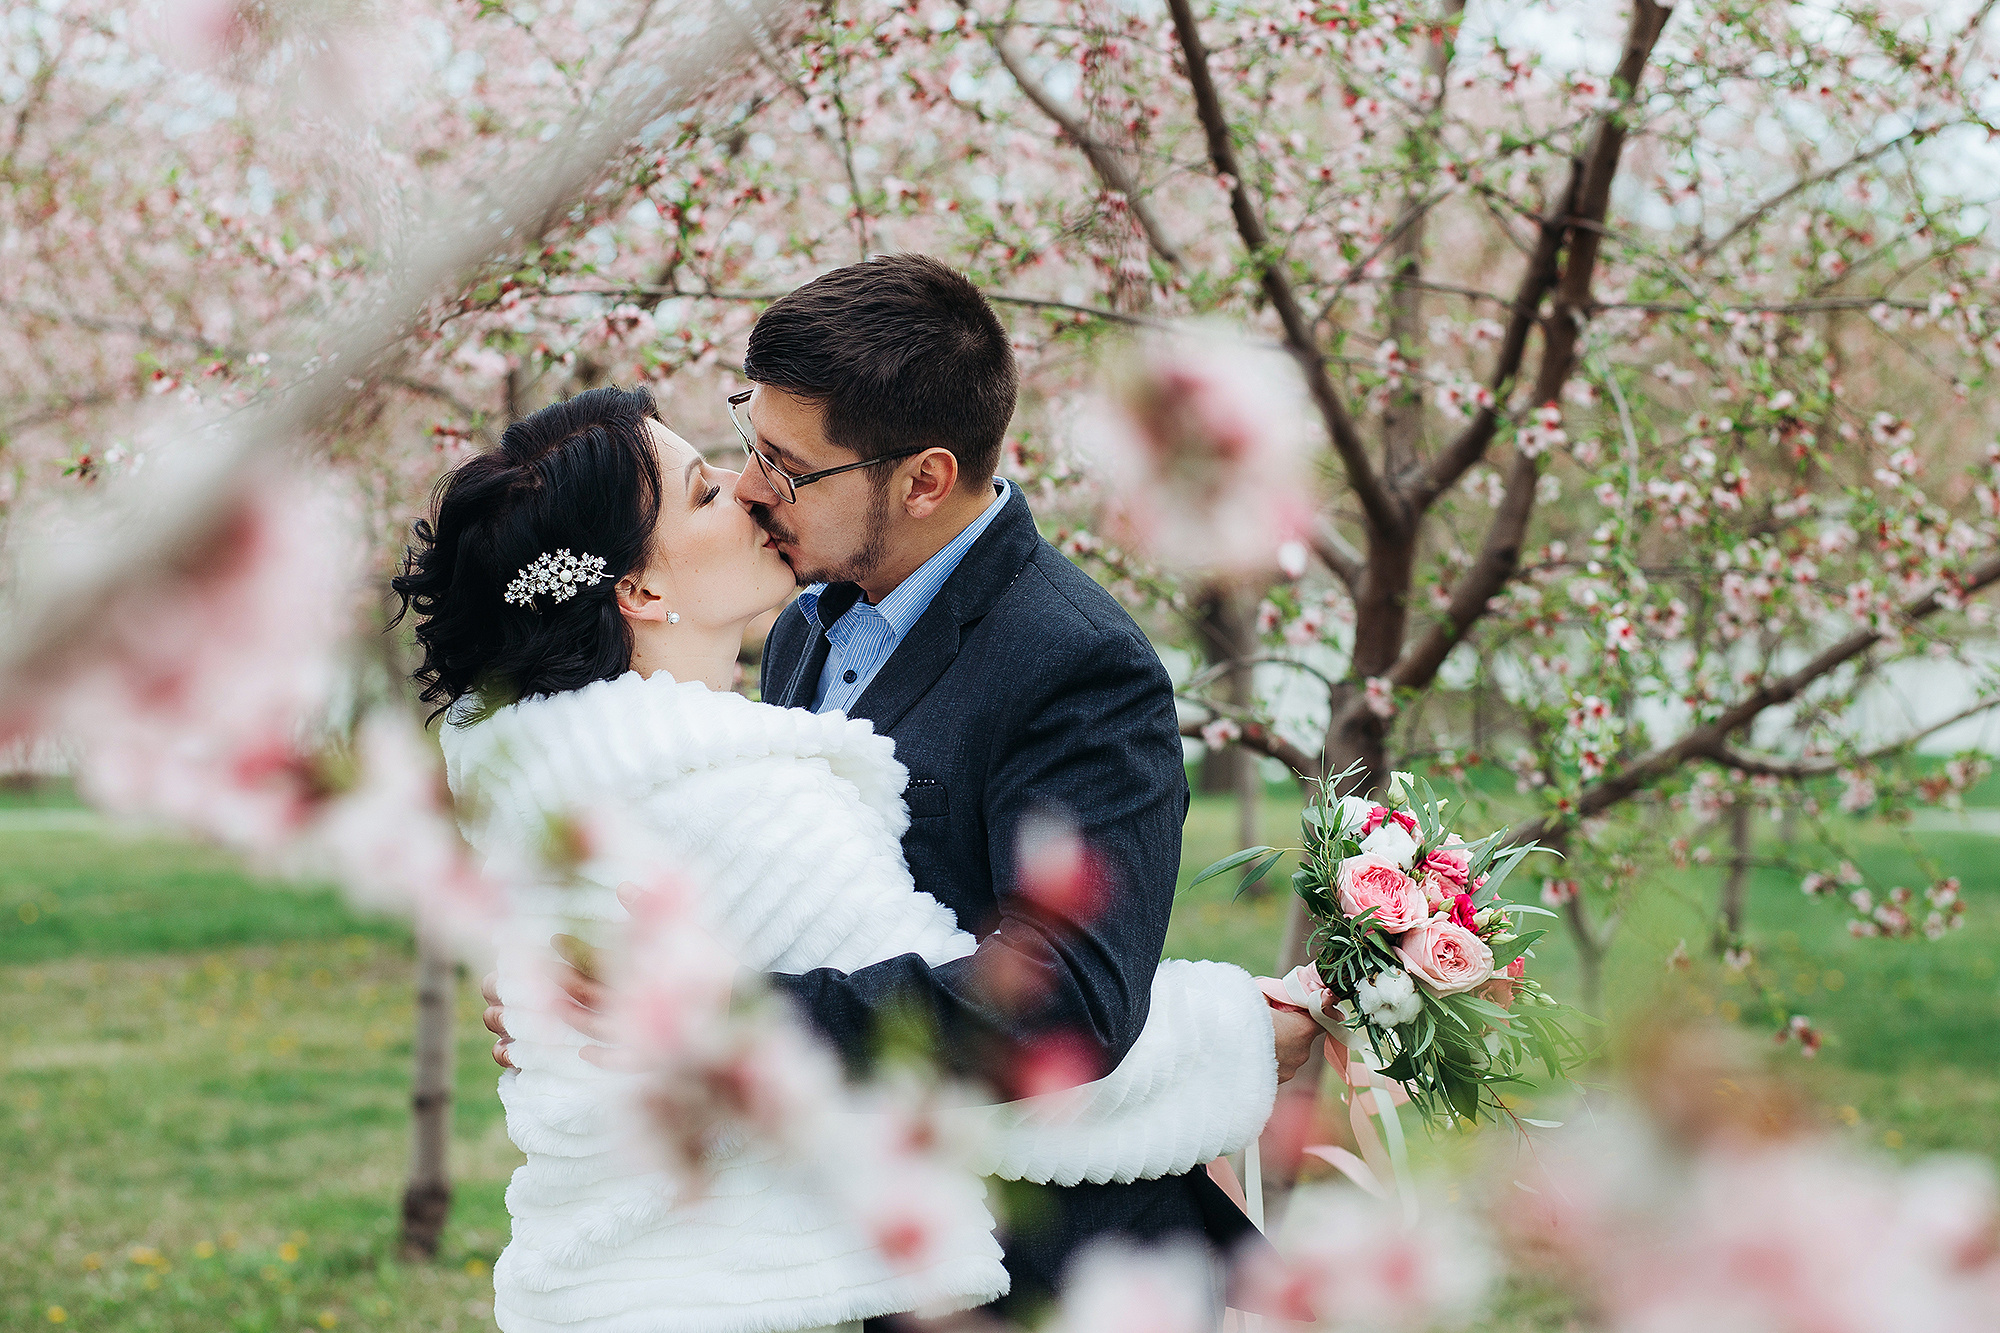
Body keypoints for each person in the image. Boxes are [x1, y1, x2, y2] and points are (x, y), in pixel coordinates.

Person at [475, 256, 1322, 1326]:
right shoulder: (799, 625)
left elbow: (1067, 999)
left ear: (920, 481)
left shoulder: (1074, 662)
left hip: (1058, 1260)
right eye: (749, 445)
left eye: (788, 466)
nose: (749, 487)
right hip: (863, 1246)